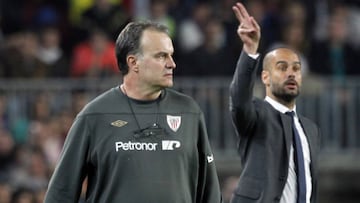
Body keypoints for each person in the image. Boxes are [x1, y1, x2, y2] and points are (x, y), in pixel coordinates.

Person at [44, 21, 222, 203]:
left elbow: (210, 192)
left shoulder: (189, 112)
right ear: (133, 62)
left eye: (171, 55)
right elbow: (60, 193)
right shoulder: (94, 116)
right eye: (161, 56)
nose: (172, 64)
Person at [229, 3, 321, 203]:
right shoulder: (256, 113)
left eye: (296, 69)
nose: (291, 73)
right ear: (265, 77)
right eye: (282, 67)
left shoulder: (311, 129)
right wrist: (250, 49)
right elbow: (239, 98)